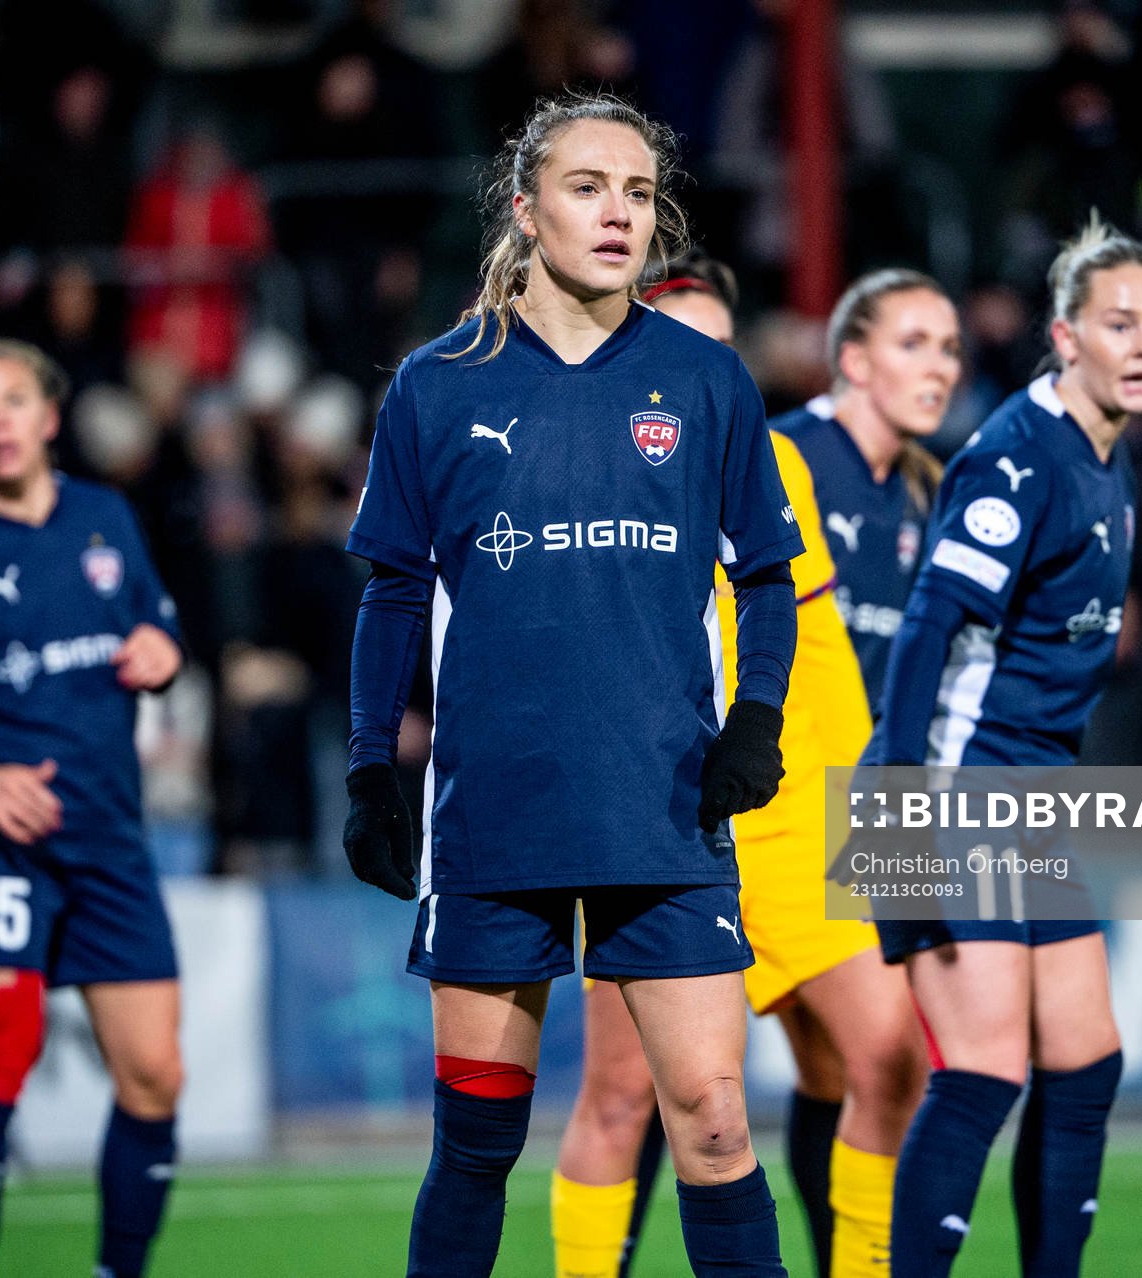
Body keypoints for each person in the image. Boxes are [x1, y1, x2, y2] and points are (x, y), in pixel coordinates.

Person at [341, 93, 801, 1278]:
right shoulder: (439, 384)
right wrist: (366, 769)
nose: (618, 214)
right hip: (498, 808)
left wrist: (755, 719)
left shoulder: (707, 381)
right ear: (525, 205)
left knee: (711, 1120)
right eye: (589, 187)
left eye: (640, 193)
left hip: (665, 806)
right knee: (478, 1141)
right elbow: (392, 593)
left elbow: (763, 578)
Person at [550, 257, 928, 1278]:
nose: (709, 366)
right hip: (658, 820)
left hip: (802, 816)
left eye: (726, 348)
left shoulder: (775, 464)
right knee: (627, 1099)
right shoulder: (583, 475)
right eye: (687, 345)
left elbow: (821, 663)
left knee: (890, 1058)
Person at [862, 216, 1142, 1277]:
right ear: (1065, 335)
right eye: (1120, 323)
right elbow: (924, 632)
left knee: (1086, 1064)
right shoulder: (1016, 458)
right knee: (987, 1071)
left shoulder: (1107, 458)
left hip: (1031, 796)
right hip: (956, 788)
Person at [0, 337, 186, 1278]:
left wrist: (161, 649)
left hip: (108, 837)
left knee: (154, 1077)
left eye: (15, 401)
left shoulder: (105, 519)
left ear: (50, 419)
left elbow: (157, 621)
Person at [776, 269, 963, 707]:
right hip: (792, 759)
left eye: (950, 349)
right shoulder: (784, 458)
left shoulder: (932, 486)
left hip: (876, 761)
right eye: (912, 345)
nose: (939, 369)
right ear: (855, 361)